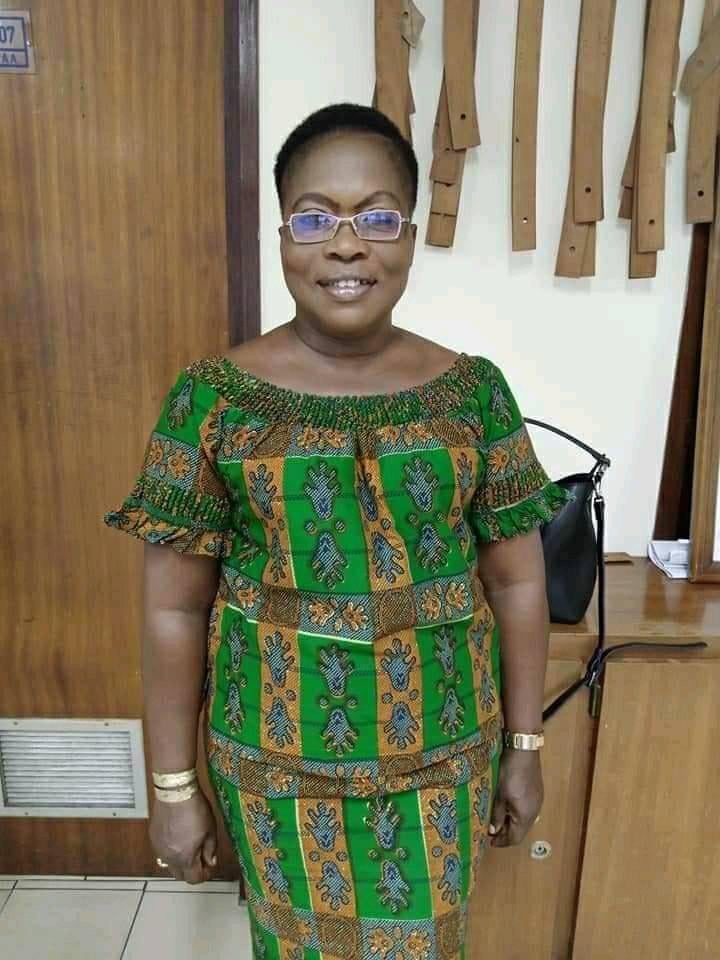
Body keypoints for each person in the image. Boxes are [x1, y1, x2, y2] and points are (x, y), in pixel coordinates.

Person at [104, 102, 573, 959]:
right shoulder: (213, 401)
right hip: (274, 767)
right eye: (316, 218)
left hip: (442, 763)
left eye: (377, 218)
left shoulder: (474, 396)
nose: (347, 246)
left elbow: (516, 583)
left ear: (411, 235)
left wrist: (525, 745)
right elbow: (174, 610)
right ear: (283, 236)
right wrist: (173, 787)